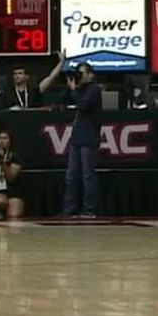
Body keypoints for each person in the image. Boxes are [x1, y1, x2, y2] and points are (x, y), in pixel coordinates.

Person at [59, 61, 101, 218]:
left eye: (82, 74)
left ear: (91, 75)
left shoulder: (94, 89)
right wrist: (70, 85)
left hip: (89, 138)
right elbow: (62, 100)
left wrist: (74, 90)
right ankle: (69, 209)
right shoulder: (79, 89)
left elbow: (83, 105)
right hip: (77, 138)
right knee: (71, 176)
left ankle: (89, 210)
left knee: (87, 175)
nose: (80, 77)